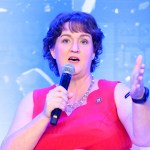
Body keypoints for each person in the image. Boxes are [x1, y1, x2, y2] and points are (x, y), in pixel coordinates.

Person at [1, 11, 150, 150]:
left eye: (84, 41)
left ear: (93, 52)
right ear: (53, 50)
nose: (74, 48)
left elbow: (144, 139)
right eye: (66, 40)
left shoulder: (116, 92)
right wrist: (44, 116)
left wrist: (139, 99)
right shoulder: (34, 100)